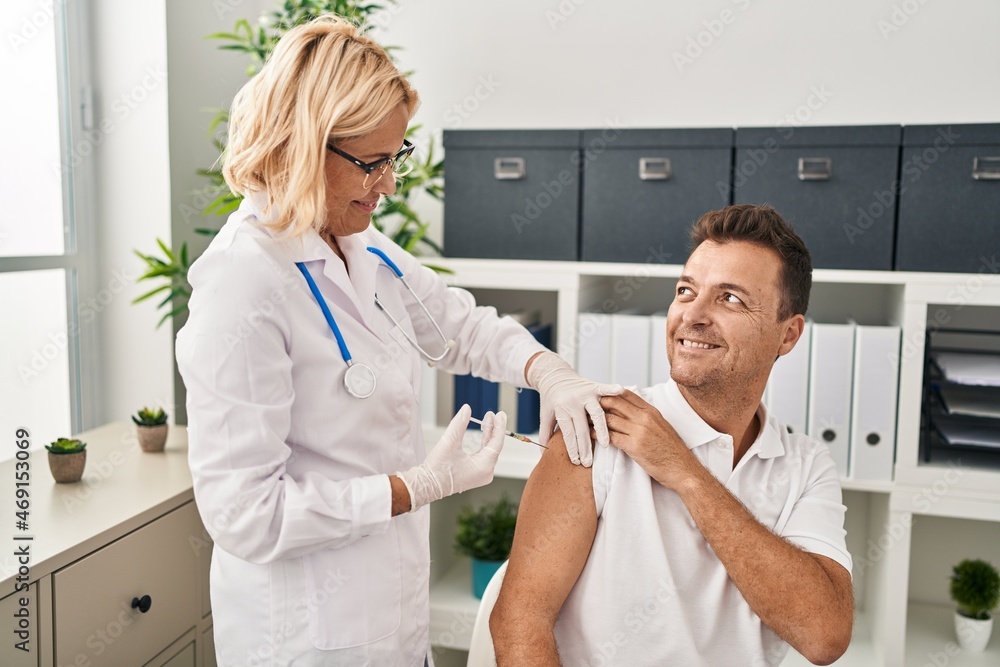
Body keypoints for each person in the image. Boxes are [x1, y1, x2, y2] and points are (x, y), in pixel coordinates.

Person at [175, 15, 620, 666]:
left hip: (391, 619)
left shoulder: (359, 241)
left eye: (396, 156)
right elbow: (245, 514)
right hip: (305, 638)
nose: (389, 184)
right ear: (306, 144)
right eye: (373, 162)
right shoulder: (241, 282)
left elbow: (455, 325)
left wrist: (547, 368)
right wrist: (411, 487)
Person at [491, 204, 855, 666]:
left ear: (788, 336)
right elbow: (519, 623)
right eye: (686, 290)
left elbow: (824, 636)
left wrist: (686, 472)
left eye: (731, 299)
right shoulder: (599, 429)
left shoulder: (805, 466)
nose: (693, 315)